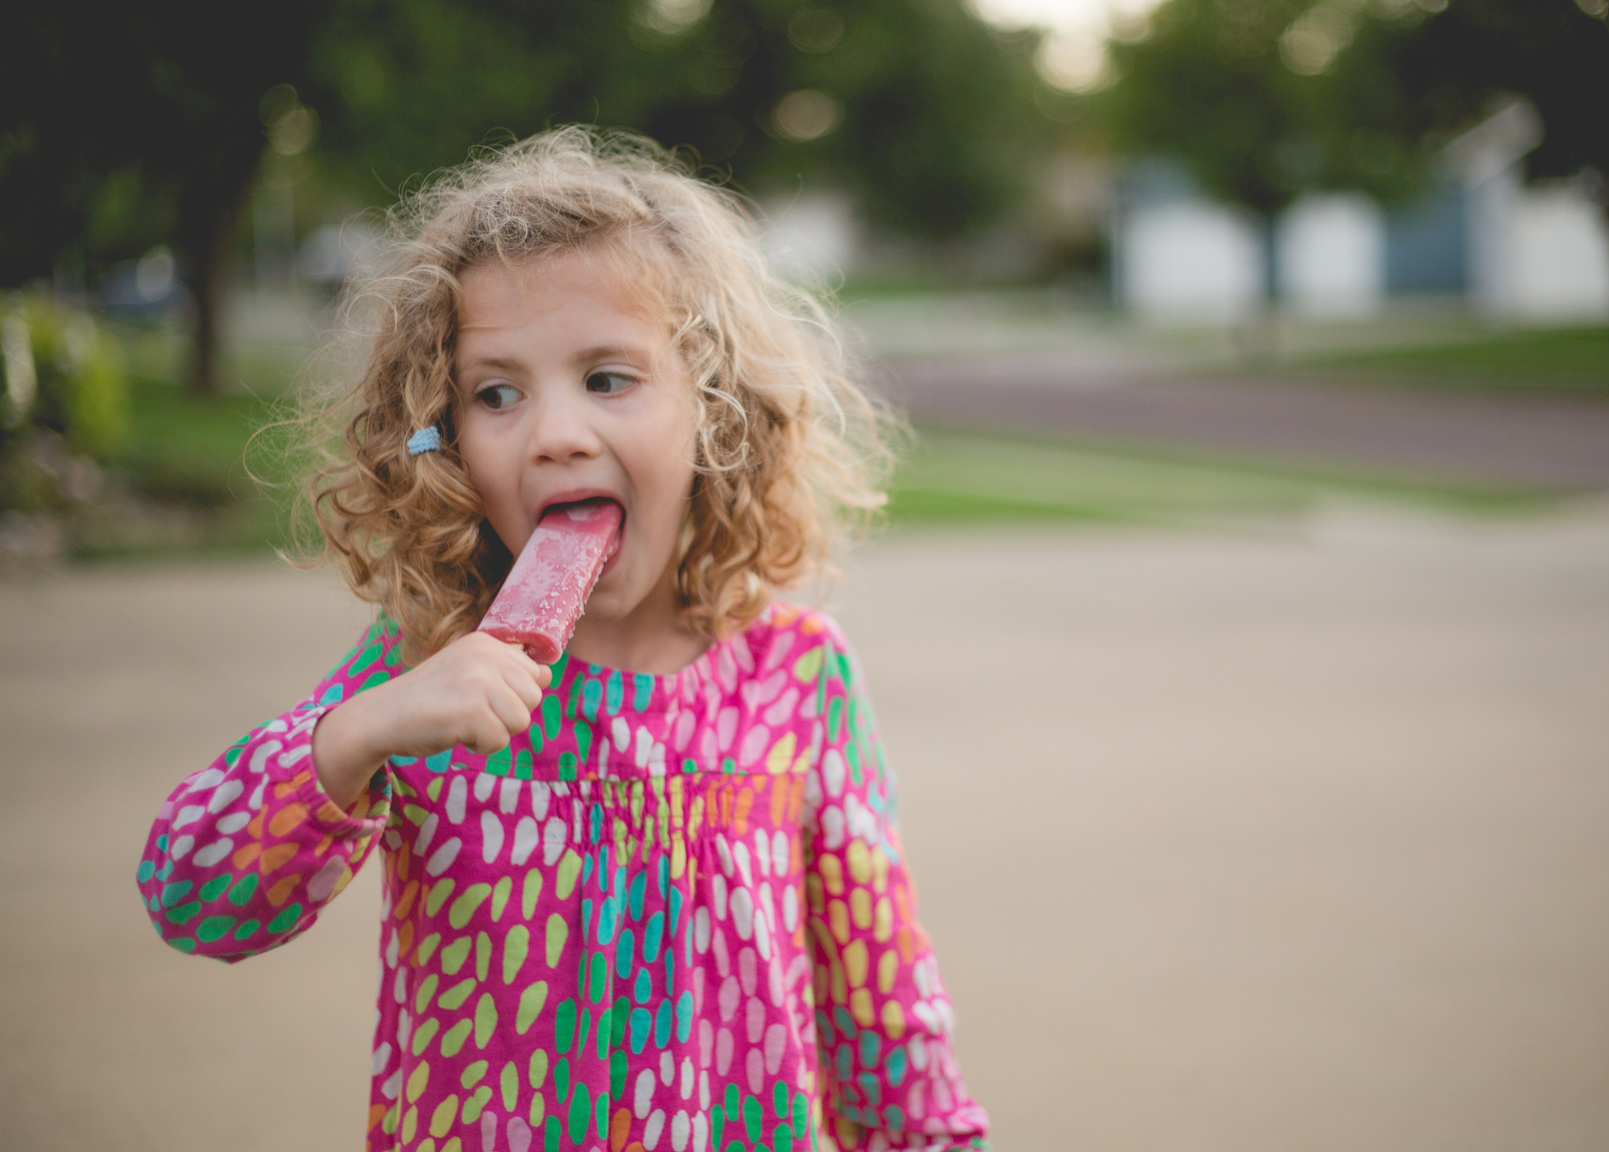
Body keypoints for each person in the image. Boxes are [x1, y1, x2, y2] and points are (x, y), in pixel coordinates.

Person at [137, 127, 988, 1152]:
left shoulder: (795, 674)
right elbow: (196, 897)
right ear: (445, 440)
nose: (554, 432)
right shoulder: (425, 662)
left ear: (712, 411)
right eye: (496, 393)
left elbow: (882, 1006)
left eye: (609, 378)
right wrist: (357, 736)